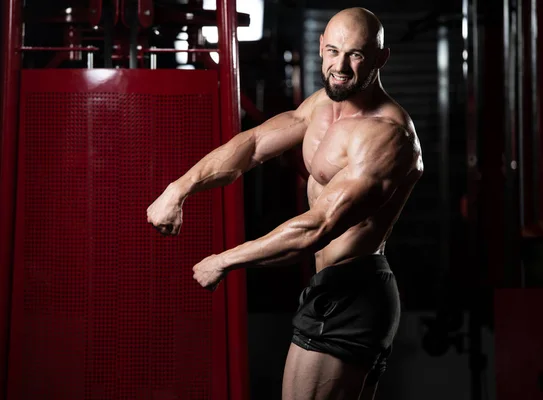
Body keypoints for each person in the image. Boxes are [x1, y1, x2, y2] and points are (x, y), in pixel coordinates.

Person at [147, 7, 423, 400]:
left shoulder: (387, 136)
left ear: (382, 58)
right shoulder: (322, 107)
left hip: (354, 291)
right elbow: (254, 145)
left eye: (356, 55)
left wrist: (225, 259)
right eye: (332, 51)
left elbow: (319, 226)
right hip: (332, 286)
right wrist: (179, 188)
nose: (340, 66)